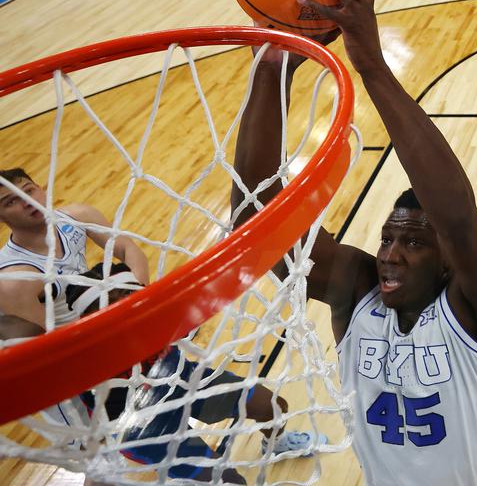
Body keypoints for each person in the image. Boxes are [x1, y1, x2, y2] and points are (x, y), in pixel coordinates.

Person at [232, 0, 477, 486]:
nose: (390, 252)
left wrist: (369, 65)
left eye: (413, 242)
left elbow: (457, 216)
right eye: (388, 237)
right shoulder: (358, 291)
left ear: (447, 264)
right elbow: (258, 219)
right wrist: (270, 70)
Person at [0, 262, 324, 485]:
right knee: (230, 480)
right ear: (90, 318)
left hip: (184, 380)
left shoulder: (156, 315)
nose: (126, 307)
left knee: (270, 403)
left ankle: (278, 442)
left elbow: (129, 251)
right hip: (143, 426)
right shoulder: (79, 355)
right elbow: (19, 327)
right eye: (113, 304)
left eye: (130, 298)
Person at [0, 168, 150, 327]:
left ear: (40, 188)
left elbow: (128, 249)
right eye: (11, 201)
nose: (27, 202)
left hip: (107, 320)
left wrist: (137, 300)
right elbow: (46, 345)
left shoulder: (78, 216)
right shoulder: (14, 280)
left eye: (28, 191)